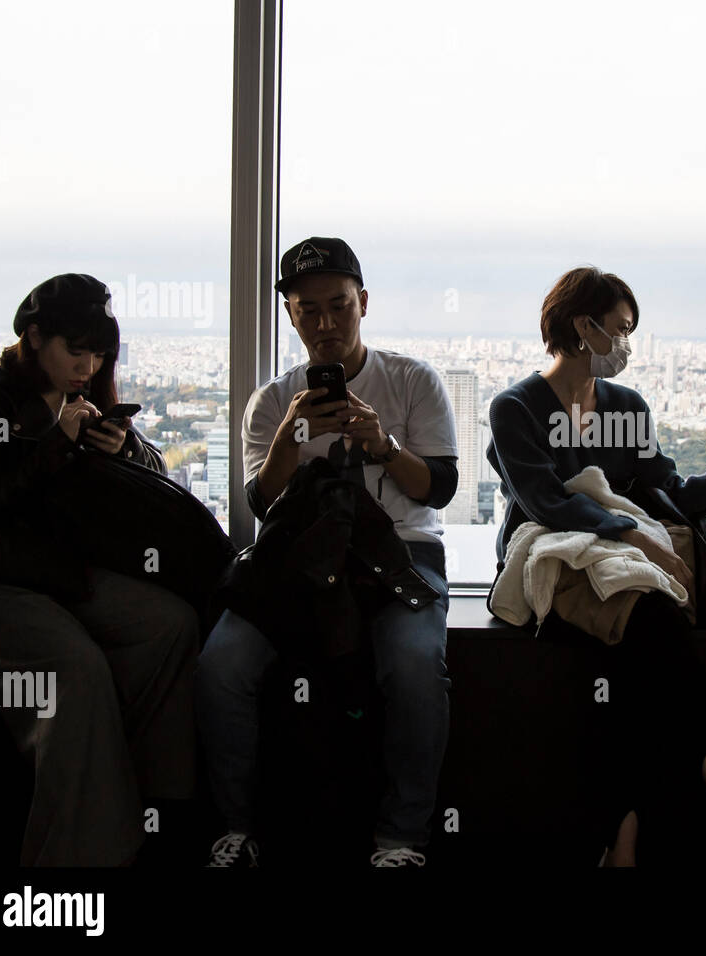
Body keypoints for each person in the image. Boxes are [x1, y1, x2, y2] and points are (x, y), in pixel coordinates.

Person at [486, 265, 706, 865]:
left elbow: (671, 492)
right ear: (584, 327)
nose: (628, 345)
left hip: (623, 569)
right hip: (555, 562)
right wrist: (633, 533)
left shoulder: (626, 406)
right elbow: (545, 502)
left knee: (638, 675)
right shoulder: (516, 407)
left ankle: (622, 838)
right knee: (658, 634)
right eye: (621, 329)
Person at [195, 237, 459, 868]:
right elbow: (262, 504)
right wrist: (288, 439)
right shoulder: (271, 402)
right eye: (307, 310)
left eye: (338, 306)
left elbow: (441, 489)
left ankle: (401, 837)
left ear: (363, 302)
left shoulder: (411, 381)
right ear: (289, 314)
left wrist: (385, 445)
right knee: (220, 666)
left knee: (418, 667)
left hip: (399, 554)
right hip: (298, 559)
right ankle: (236, 828)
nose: (325, 324)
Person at [0, 273, 197, 866]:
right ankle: (75, 859)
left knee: (171, 625)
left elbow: (149, 473)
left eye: (98, 353)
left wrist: (121, 447)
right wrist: (56, 445)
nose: (87, 365)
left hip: (63, 568)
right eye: (75, 349)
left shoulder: (83, 392)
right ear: (33, 337)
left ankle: (160, 806)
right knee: (76, 670)